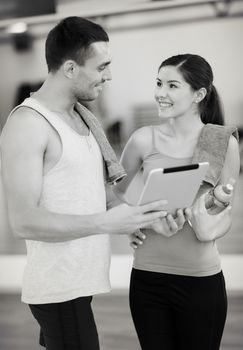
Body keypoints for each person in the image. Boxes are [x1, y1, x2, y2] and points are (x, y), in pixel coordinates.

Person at [0, 17, 168, 350]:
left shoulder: (81, 117)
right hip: (58, 288)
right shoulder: (28, 125)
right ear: (70, 69)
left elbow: (86, 192)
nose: (108, 75)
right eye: (101, 66)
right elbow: (23, 221)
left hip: (80, 282)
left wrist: (130, 214)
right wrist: (106, 223)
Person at [114, 54, 240, 350]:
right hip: (147, 279)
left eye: (172, 86)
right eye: (158, 83)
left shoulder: (223, 142)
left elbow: (225, 212)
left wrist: (209, 226)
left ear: (199, 94)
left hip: (200, 281)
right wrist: (135, 219)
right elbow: (116, 193)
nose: (161, 93)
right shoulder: (143, 139)